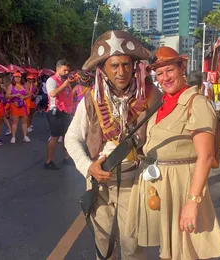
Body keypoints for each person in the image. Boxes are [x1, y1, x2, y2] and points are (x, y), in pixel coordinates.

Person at [125, 46, 220, 260]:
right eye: (160, 74)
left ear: (182, 68)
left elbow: (206, 157)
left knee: (184, 251)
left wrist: (192, 201)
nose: (165, 78)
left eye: (169, 70)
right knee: (169, 249)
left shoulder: (196, 103)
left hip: (181, 186)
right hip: (161, 185)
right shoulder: (162, 103)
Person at [65, 30, 162, 259]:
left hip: (135, 182)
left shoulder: (151, 96)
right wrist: (88, 167)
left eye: (127, 65)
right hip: (99, 183)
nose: (122, 72)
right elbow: (71, 138)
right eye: (115, 65)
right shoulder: (90, 99)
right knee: (103, 242)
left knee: (133, 246)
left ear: (134, 66)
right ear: (103, 69)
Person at [44, 59, 73, 170]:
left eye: (68, 70)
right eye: (64, 70)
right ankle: (48, 161)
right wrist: (65, 85)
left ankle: (66, 158)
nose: (66, 72)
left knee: (66, 136)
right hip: (55, 111)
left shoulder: (66, 81)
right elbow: (53, 93)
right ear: (57, 69)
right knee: (55, 136)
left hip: (66, 112)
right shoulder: (52, 80)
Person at [6, 72, 31, 144]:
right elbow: (7, 96)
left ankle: (25, 136)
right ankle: (13, 137)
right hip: (14, 105)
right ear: (13, 78)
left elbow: (29, 94)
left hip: (23, 105)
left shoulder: (24, 85)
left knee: (24, 122)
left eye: (19, 77)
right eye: (16, 77)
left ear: (21, 78)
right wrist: (14, 95)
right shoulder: (11, 86)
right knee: (14, 122)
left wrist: (24, 97)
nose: (17, 78)